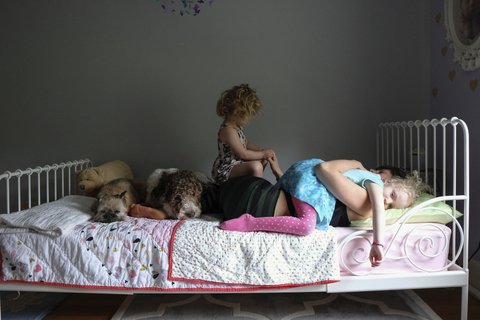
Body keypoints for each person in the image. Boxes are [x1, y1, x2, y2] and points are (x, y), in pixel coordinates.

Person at [217, 156, 431, 268]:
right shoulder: (374, 182)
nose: (386, 202)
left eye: (392, 206)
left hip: (306, 179)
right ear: (387, 181)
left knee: (306, 222)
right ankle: (250, 223)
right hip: (312, 184)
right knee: (306, 226)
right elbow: (377, 208)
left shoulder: (360, 176)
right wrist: (377, 243)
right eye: (392, 195)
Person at [211, 84, 275, 184]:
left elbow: (246, 142)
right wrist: (262, 154)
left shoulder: (237, 128)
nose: (249, 119)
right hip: (227, 170)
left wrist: (260, 150)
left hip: (237, 164)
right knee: (256, 165)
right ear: (238, 112)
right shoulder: (228, 130)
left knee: (264, 160)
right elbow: (242, 153)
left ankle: (250, 185)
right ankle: (253, 192)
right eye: (248, 116)